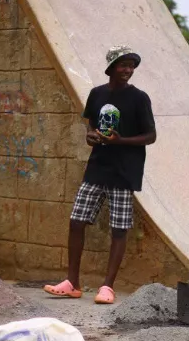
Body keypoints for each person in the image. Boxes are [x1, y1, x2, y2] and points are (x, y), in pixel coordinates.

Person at [43, 45, 157, 304]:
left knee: (119, 229)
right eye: (123, 65)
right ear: (111, 68)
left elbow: (151, 136)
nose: (128, 70)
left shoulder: (139, 98)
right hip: (97, 168)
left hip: (124, 171)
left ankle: (107, 287)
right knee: (77, 221)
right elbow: (91, 126)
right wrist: (91, 136)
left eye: (131, 65)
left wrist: (121, 141)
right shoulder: (97, 94)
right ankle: (72, 282)